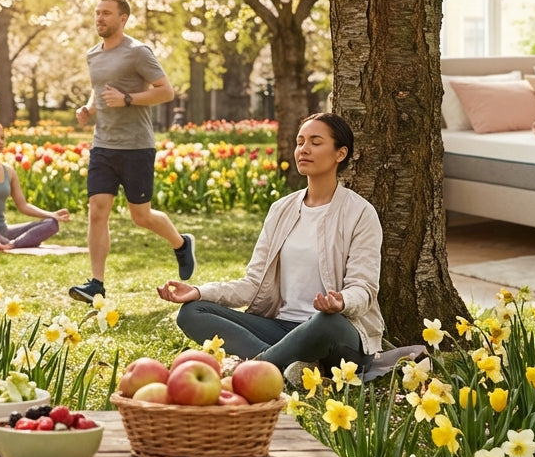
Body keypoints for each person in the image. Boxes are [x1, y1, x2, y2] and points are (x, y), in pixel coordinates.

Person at [155, 113, 385, 373]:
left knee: (325, 322)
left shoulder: (360, 213)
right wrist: (199, 292)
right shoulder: (281, 210)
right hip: (281, 328)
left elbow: (364, 289)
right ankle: (286, 365)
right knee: (192, 312)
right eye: (300, 142)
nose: (304, 149)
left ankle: (256, 369)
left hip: (334, 332)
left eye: (315, 142)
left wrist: (340, 302)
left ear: (340, 154)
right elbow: (253, 283)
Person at [68, 0, 195, 304]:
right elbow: (98, 89)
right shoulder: (93, 55)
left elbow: (166, 91)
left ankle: (181, 243)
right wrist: (88, 109)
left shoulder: (138, 52)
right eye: (97, 13)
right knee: (97, 211)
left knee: (141, 216)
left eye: (107, 13)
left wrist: (128, 99)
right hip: (103, 145)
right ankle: (96, 283)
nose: (100, 18)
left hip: (136, 146)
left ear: (122, 19)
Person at [0, 121, 70, 250]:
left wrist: (52, 214)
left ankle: (11, 244)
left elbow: (23, 205)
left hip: (2, 229)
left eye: (2, 138)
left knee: (51, 224)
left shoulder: (9, 171)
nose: (0, 142)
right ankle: (9, 242)